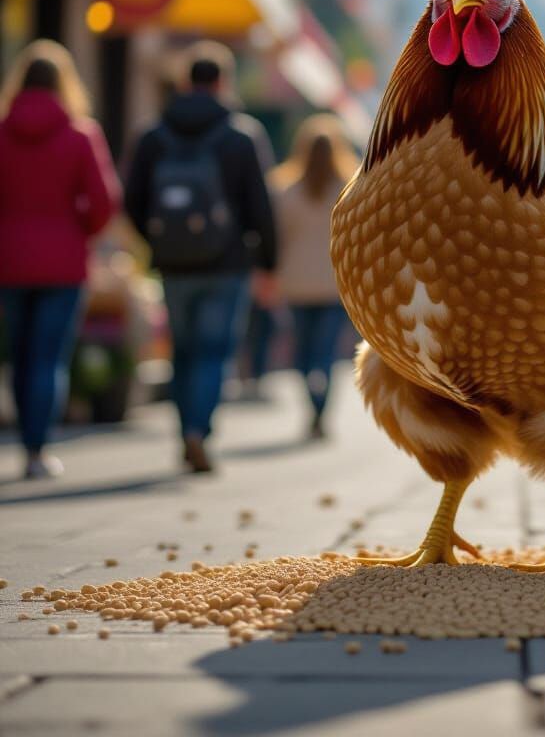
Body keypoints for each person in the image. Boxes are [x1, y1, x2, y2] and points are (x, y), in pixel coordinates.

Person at [123, 43, 277, 472]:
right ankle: (198, 431)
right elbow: (260, 207)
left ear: (187, 82)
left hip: (173, 264)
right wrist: (267, 263)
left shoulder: (153, 135)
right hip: (227, 264)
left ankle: (184, 430)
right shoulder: (242, 136)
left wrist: (156, 240)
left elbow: (132, 200)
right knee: (214, 352)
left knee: (183, 350)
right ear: (223, 83)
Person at [0, 41, 121, 478]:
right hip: (64, 262)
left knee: (20, 353)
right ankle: (37, 451)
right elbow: (105, 201)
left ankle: (24, 440)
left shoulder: (2, 131)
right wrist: (79, 230)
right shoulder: (80, 133)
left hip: (10, 261)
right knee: (49, 357)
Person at [267, 114, 358, 439]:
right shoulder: (350, 188)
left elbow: (274, 238)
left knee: (303, 351)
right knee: (327, 350)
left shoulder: (284, 190)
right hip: (335, 283)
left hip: (296, 282)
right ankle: (321, 409)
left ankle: (312, 401)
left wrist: (270, 276)